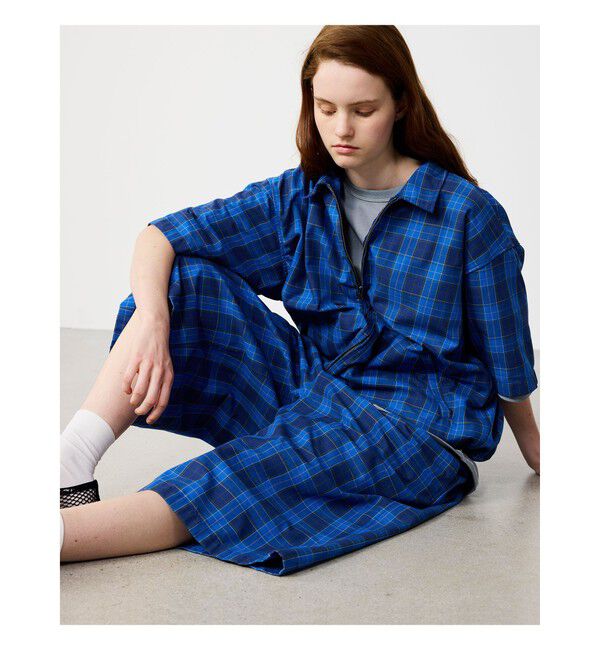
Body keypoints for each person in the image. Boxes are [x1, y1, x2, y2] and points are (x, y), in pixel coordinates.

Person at [59, 25, 540, 576]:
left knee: (244, 475)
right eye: (325, 108)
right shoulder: (301, 195)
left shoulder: (467, 214)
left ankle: (52, 537)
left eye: (363, 110)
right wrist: (152, 317)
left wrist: (533, 446)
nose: (341, 128)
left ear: (402, 104)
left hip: (415, 432)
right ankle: (70, 460)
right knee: (181, 280)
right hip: (318, 391)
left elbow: (507, 350)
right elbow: (160, 236)